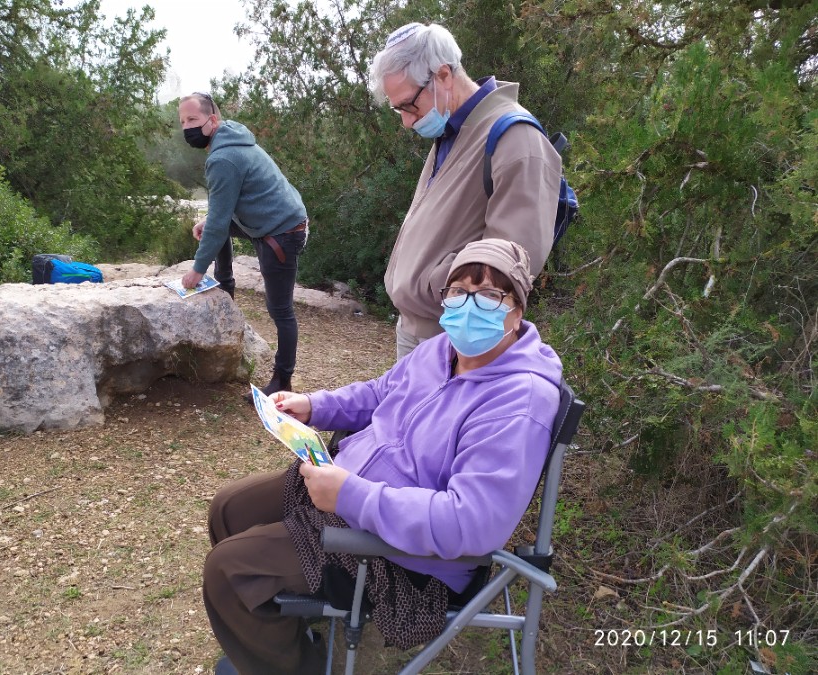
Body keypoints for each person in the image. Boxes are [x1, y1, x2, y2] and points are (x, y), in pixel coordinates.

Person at [201, 239, 562, 675]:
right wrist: (314, 405)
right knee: (228, 509)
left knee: (228, 573)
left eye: (489, 295)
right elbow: (380, 392)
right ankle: (283, 629)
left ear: (517, 310)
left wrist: (352, 496)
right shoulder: (442, 348)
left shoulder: (519, 400)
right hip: (348, 491)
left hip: (405, 559)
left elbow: (472, 524)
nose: (469, 305)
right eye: (458, 290)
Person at [370, 23, 563, 360]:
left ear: (443, 75)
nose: (406, 121)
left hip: (454, 340)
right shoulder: (452, 131)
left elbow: (510, 265)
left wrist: (435, 284)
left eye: (408, 106)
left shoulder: (517, 139)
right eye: (398, 109)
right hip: (415, 329)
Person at [178, 92, 309, 395]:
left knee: (280, 310)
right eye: (183, 121)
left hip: (283, 232)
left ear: (213, 120)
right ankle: (226, 285)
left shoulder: (224, 157)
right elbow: (222, 213)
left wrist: (197, 270)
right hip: (271, 221)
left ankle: (283, 379)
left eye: (193, 120)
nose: (187, 127)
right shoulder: (230, 141)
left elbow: (220, 223)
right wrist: (210, 221)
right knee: (212, 225)